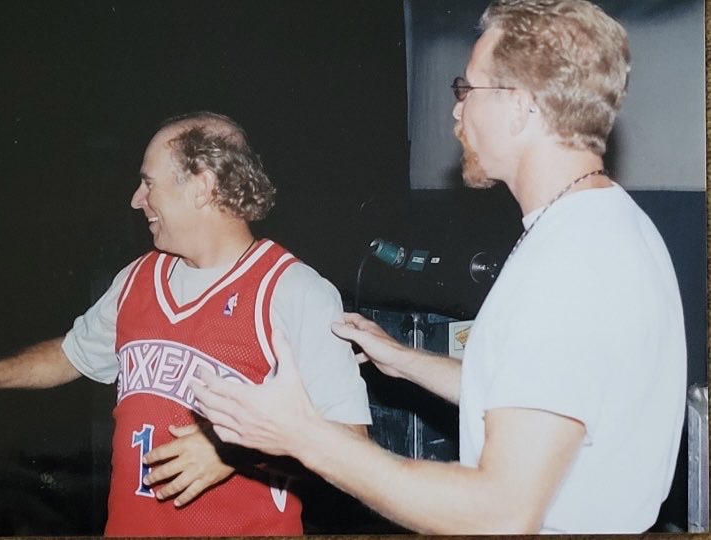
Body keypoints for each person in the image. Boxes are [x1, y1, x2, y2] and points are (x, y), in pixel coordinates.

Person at [190, 0, 686, 534]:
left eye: (468, 88)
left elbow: (501, 512)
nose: (456, 109)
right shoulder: (604, 224)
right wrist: (402, 359)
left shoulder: (570, 261)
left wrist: (304, 435)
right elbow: (537, 391)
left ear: (519, 106)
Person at [0, 112, 372, 536]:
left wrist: (233, 452)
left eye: (149, 182)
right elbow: (70, 354)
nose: (137, 200)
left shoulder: (296, 291)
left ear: (201, 186)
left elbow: (350, 445)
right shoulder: (138, 278)